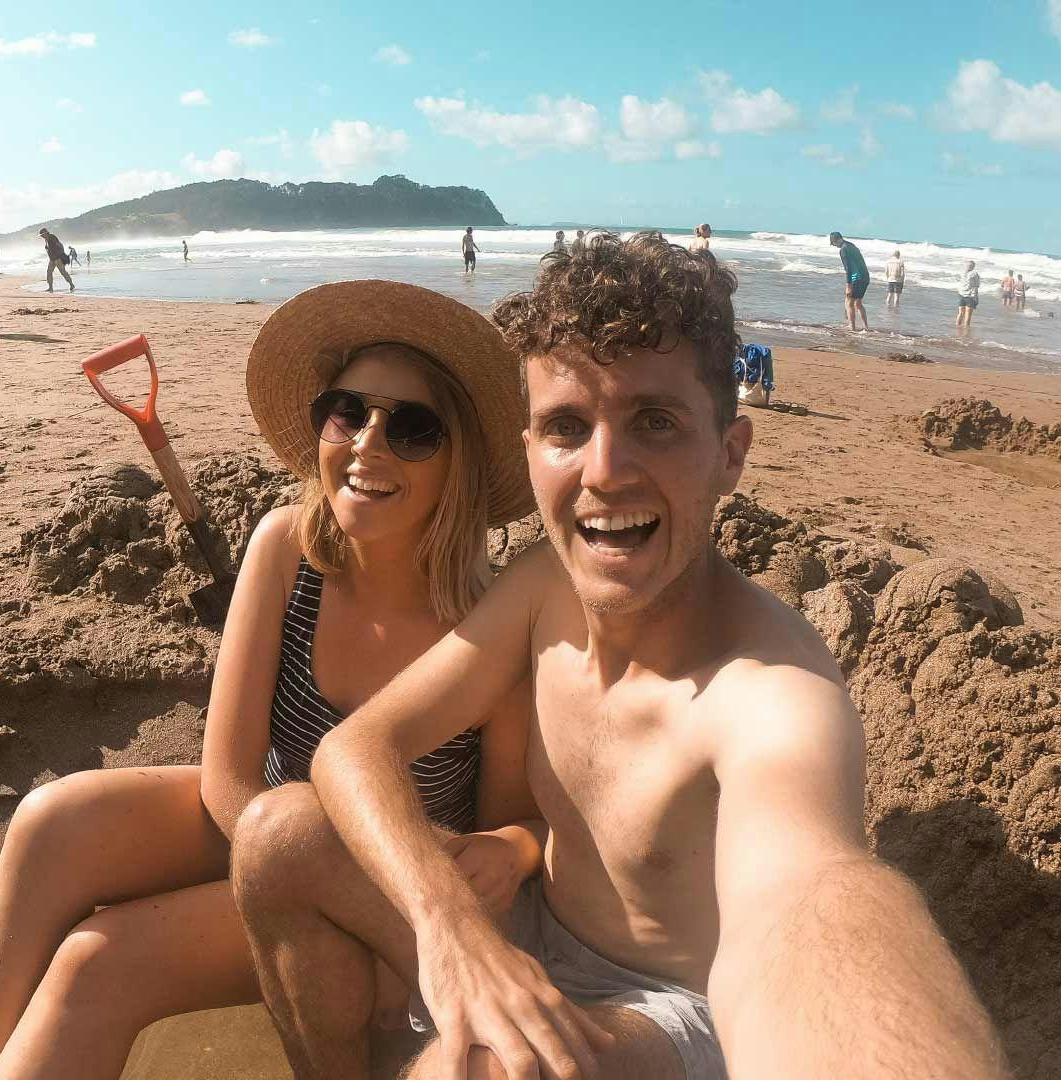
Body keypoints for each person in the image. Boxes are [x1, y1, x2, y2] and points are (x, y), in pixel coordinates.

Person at [231, 231, 1011, 1080]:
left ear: (730, 455)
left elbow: (818, 897)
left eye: (655, 422)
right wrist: (448, 926)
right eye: (567, 426)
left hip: (667, 1011)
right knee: (278, 836)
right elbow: (354, 749)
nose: (605, 471)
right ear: (529, 451)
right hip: (525, 927)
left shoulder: (771, 695)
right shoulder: (542, 587)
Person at [0, 280, 543, 1080]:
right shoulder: (288, 548)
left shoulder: (485, 623)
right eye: (347, 412)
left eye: (414, 429)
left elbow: (513, 828)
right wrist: (275, 858)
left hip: (392, 886)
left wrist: (512, 847)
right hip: (261, 826)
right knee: (52, 823)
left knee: (98, 960)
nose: (367, 445)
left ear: (459, 460)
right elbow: (227, 776)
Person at [828, 231, 870, 331]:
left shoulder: (843, 249)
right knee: (858, 303)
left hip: (857, 278)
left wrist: (848, 285)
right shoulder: (851, 245)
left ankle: (852, 327)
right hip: (865, 277)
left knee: (849, 303)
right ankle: (866, 327)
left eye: (833, 243)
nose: (834, 245)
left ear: (837, 240)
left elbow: (848, 268)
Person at [40, 228, 75, 292]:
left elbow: (60, 245)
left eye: (42, 234)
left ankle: (71, 284)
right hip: (52, 259)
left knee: (63, 272)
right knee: (49, 272)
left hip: (58, 258)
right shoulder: (46, 240)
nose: (41, 236)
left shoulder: (52, 237)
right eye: (41, 235)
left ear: (46, 233)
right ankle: (50, 287)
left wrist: (62, 254)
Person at [957, 258, 981, 331]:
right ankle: (965, 332)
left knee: (960, 313)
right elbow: (977, 285)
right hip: (970, 296)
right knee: (968, 315)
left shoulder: (962, 273)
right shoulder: (974, 273)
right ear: (973, 267)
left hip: (961, 294)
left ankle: (957, 328)